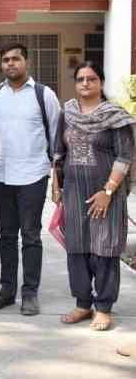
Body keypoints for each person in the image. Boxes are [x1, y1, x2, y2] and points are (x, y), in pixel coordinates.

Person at [0, 43, 60, 316]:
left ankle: (29, 294)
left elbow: (56, 136)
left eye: (15, 59)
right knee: (7, 236)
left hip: (33, 175)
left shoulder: (44, 95)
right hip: (2, 176)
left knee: (30, 236)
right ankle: (7, 291)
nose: (10, 64)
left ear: (26, 62)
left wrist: (56, 176)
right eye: (5, 60)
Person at [54, 62, 134, 332]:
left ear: (101, 82)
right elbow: (58, 154)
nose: (85, 83)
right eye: (80, 79)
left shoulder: (116, 116)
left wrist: (108, 191)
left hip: (106, 194)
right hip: (74, 193)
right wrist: (56, 187)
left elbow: (125, 156)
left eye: (91, 79)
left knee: (105, 250)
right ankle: (82, 304)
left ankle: (103, 308)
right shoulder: (67, 114)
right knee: (77, 249)